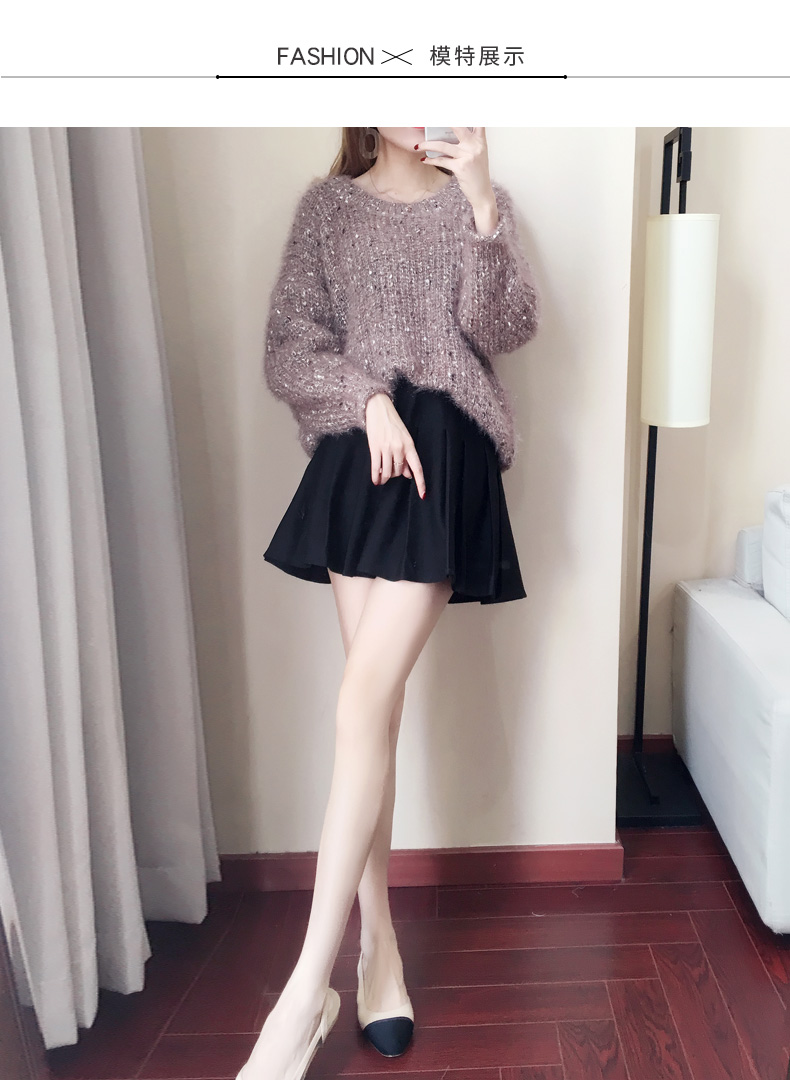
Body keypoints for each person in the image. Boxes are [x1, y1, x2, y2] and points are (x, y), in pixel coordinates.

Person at [237, 127, 541, 1080]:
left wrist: (483, 202)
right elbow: (289, 348)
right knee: (375, 715)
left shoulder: (475, 205)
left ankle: (302, 994)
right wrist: (366, 401)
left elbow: (507, 326)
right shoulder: (327, 210)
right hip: (358, 463)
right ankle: (379, 952)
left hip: (442, 458)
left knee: (360, 705)